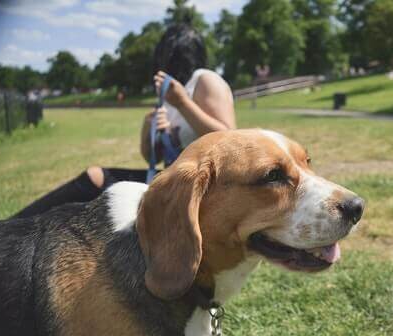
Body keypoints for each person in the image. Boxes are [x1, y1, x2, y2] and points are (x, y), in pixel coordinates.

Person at [13, 24, 235, 219]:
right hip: (172, 182)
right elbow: (153, 158)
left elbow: (230, 143)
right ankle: (16, 227)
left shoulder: (205, 79)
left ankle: (13, 228)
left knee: (98, 178)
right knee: (97, 179)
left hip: (203, 189)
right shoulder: (173, 92)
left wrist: (183, 103)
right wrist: (148, 128)